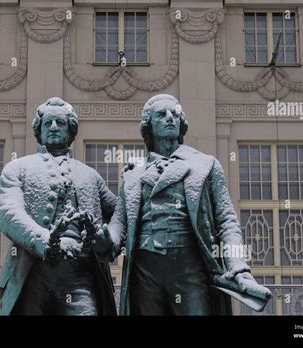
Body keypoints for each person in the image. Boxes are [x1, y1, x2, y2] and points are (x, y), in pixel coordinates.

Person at [93, 94, 271, 315]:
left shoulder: (205, 165)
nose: (170, 118)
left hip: (189, 268)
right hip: (145, 270)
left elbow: (226, 220)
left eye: (175, 114)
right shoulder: (133, 174)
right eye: (162, 114)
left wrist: (238, 266)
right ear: (148, 125)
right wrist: (105, 238)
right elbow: (119, 222)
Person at [0, 97, 117, 315]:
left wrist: (107, 240)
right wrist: (46, 242)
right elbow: (9, 213)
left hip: (81, 274)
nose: (53, 127)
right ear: (38, 130)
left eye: (60, 123)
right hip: (33, 271)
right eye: (48, 123)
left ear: (70, 131)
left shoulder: (91, 176)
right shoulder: (17, 169)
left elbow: (120, 214)